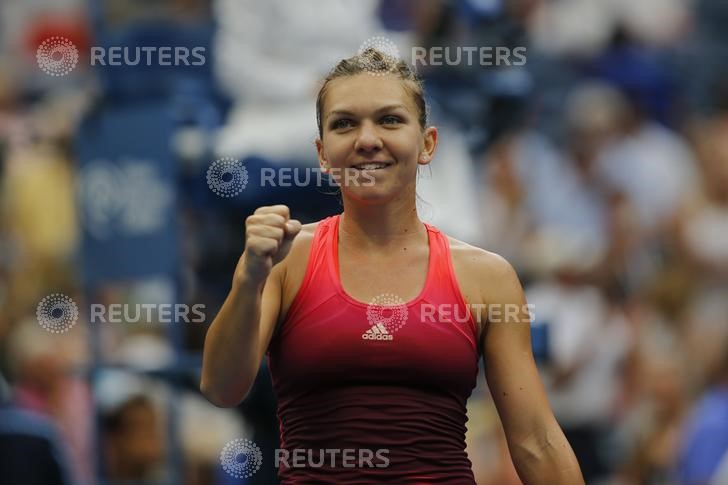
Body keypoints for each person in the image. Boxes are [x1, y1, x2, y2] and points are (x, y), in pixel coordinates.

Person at [200, 48, 584, 483]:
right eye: (345, 123)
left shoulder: (486, 277)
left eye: (389, 120)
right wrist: (250, 279)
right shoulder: (280, 261)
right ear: (323, 154)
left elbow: (536, 441)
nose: (367, 139)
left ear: (427, 144)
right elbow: (221, 388)